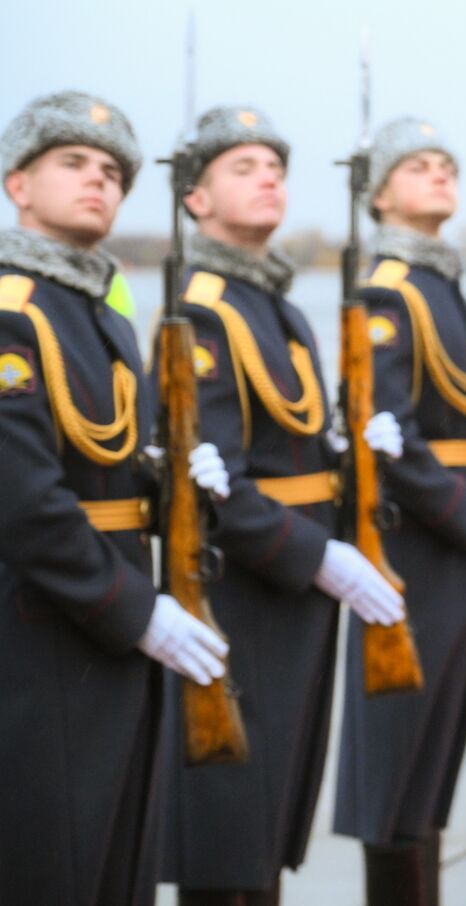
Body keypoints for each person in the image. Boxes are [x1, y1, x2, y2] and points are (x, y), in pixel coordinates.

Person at [159, 106, 404, 906]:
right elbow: (213, 482)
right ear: (194, 199)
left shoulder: (278, 305)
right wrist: (319, 557)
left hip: (293, 589)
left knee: (266, 829)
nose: (269, 177)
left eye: (275, 165)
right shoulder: (202, 308)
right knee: (230, 838)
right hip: (248, 587)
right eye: (243, 167)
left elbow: (295, 442)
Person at [0, 90, 229, 906]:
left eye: (112, 172)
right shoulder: (13, 313)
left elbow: (108, 458)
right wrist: (136, 608)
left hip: (111, 634)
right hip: (48, 637)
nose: (98, 181)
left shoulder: (97, 311)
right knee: (55, 870)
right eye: (73, 163)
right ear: (17, 184)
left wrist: (171, 475)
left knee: (119, 870)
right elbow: (23, 502)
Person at [332, 115, 466, 906]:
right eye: (418, 166)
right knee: (400, 771)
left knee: (431, 765)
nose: (440, 174)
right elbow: (388, 437)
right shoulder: (388, 291)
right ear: (377, 194)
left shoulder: (436, 282)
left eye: (447, 164)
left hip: (456, 542)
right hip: (424, 547)